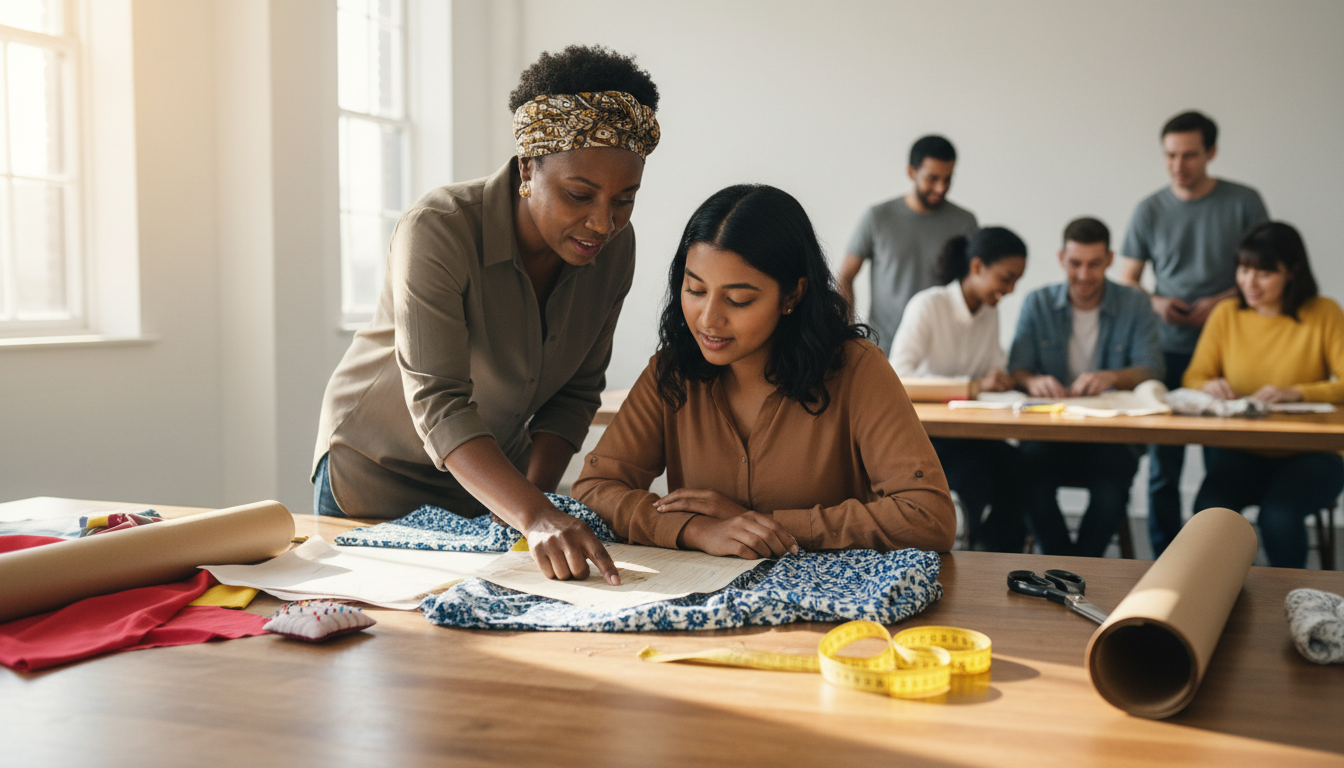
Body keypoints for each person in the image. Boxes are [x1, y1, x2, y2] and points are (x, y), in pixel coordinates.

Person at [312, 45, 664, 585]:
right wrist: (536, 514)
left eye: (625, 199)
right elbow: (439, 402)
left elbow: (575, 394)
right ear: (528, 168)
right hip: (376, 476)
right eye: (579, 194)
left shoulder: (615, 250)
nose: (603, 223)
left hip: (496, 483)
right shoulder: (437, 229)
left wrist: (534, 502)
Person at [571, 185, 956, 558]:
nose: (708, 319)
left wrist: (762, 526)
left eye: (738, 300)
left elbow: (928, 517)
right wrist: (696, 529)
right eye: (696, 290)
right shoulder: (673, 371)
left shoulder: (856, 368)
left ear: (792, 295)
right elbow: (594, 490)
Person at [1119, 110, 1270, 557]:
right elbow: (1129, 281)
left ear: (1211, 153)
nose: (1177, 166)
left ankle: (1216, 555)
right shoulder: (1149, 209)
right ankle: (1167, 555)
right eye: (1169, 155)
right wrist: (1158, 302)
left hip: (1228, 349)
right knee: (1164, 462)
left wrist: (1224, 300)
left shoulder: (1243, 201)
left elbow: (1266, 268)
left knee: (1221, 459)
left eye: (1189, 155)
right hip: (1166, 349)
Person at [1184, 222, 1344, 568]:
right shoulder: (1226, 314)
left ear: (1293, 271)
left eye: (1265, 272)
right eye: (1244, 269)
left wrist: (1297, 392)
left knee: (1279, 518)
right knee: (1207, 513)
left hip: (1313, 454)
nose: (1249, 283)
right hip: (1245, 450)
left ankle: (1293, 608)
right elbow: (1194, 376)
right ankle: (1214, 599)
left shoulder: (1324, 312)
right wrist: (1209, 385)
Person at [1009, 218, 1163, 557]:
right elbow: (1016, 368)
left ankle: (1081, 565)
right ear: (1062, 258)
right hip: (1050, 432)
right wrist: (1033, 380)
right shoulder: (1038, 303)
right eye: (1075, 264)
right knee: (1027, 477)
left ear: (1109, 259)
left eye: (1094, 264)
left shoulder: (1135, 304)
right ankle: (1062, 560)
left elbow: (1152, 368)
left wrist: (1112, 377)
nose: (1083, 275)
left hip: (1110, 435)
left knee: (1112, 489)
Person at [888, 227, 1028, 552]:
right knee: (975, 474)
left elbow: (992, 368)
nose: (1009, 290)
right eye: (1005, 279)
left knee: (1018, 468)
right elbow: (898, 378)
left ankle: (998, 558)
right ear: (977, 266)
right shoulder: (928, 305)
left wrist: (1001, 379)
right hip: (925, 433)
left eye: (1015, 282)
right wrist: (975, 385)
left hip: (971, 431)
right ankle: (968, 556)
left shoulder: (989, 314)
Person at [837, 135, 978, 354]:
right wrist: (848, 332)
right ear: (911, 172)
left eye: (947, 179)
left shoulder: (965, 222)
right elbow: (845, 275)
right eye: (932, 178)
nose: (940, 188)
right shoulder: (877, 217)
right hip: (882, 347)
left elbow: (973, 282)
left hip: (941, 350)